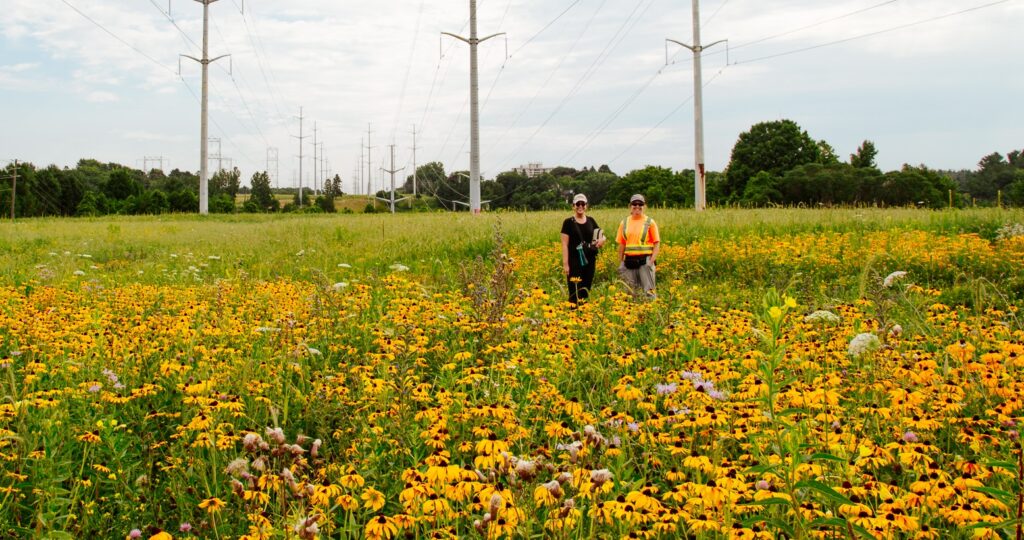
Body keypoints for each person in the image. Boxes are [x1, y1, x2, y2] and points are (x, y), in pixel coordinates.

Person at [560, 193, 606, 304]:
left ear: (586, 205)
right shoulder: (568, 222)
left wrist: (602, 240)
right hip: (574, 261)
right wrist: (566, 264)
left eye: (583, 204)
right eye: (577, 204)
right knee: (574, 290)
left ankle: (584, 314)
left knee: (586, 289)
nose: (580, 206)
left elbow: (601, 234)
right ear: (573, 206)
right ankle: (573, 314)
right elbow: (564, 244)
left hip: (589, 261)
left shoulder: (591, 220)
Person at [616, 194, 660, 298]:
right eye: (634, 204)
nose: (637, 206)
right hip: (629, 263)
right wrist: (621, 262)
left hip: (645, 262)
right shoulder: (624, 222)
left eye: (640, 204)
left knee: (649, 293)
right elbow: (622, 244)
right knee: (630, 294)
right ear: (630, 206)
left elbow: (656, 243)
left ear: (644, 206)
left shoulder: (650, 222)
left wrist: (651, 261)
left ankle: (650, 313)